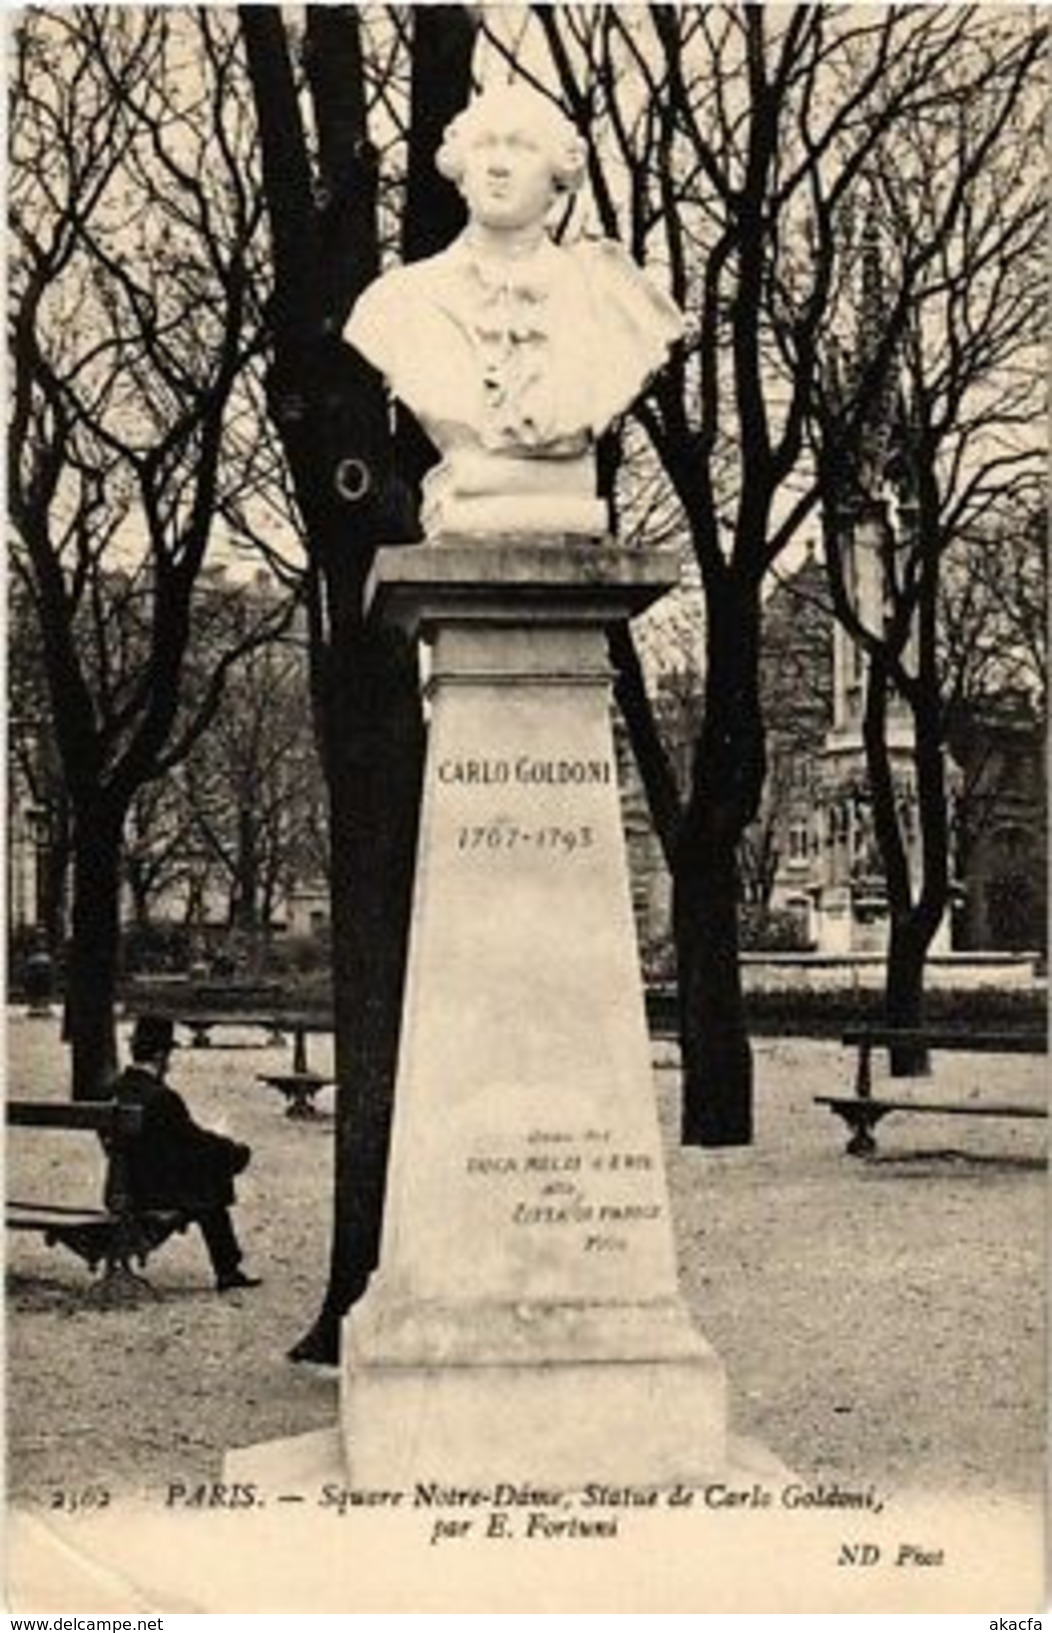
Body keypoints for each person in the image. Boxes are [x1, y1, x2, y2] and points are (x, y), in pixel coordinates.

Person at [345, 83, 684, 536]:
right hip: (464, 503)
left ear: (558, 175)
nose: (499, 165)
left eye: (522, 147)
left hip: (569, 502)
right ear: (461, 170)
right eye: (485, 145)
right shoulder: (399, 305)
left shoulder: (612, 298)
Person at [115, 1015, 261, 1293]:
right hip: (153, 1191)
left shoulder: (119, 1088)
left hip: (128, 1182)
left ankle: (229, 1266)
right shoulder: (163, 1098)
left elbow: (182, 1142)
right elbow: (193, 1142)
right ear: (159, 1055)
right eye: (168, 1055)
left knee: (209, 1167)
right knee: (214, 1180)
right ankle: (227, 1269)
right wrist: (235, 1152)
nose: (170, 1062)